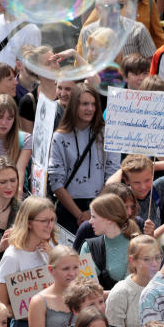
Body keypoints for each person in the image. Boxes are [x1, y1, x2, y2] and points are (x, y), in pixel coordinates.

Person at [48, 85, 119, 230]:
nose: (90, 108)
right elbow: (56, 181)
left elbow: (113, 175)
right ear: (74, 105)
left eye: (93, 104)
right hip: (69, 210)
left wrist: (92, 212)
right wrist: (80, 215)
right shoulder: (59, 137)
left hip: (101, 206)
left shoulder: (108, 134)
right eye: (85, 104)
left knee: (93, 253)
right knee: (73, 253)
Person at [0, 197, 55, 327]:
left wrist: (55, 257)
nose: (50, 226)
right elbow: (1, 305)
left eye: (52, 220)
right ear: (28, 223)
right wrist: (34, 315)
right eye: (44, 221)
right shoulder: (12, 256)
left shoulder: (50, 249)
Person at [106, 235, 161, 327]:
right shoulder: (121, 292)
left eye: (158, 258)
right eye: (147, 259)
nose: (155, 264)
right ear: (133, 261)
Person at [80, 194, 141, 290]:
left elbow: (131, 290)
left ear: (109, 219)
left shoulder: (136, 245)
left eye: (94, 217)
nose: (90, 221)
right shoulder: (88, 246)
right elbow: (84, 289)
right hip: (95, 304)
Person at [27, 246, 77, 327]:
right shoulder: (39, 301)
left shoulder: (86, 295)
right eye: (66, 269)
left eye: (75, 267)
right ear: (51, 270)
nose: (72, 273)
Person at [0, 96, 31, 190]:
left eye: (9, 118)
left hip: (13, 191)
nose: (4, 123)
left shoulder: (26, 139)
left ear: (15, 119)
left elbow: (20, 172)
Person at [0, 158, 19, 286]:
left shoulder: (24, 211)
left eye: (13, 181)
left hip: (15, 285)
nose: (9, 186)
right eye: (3, 182)